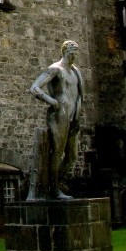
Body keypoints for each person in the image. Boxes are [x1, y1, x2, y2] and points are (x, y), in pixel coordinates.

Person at [29, 40, 83, 200]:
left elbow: (80, 95)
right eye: (72, 52)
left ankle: (54, 184)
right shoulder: (55, 69)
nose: (74, 55)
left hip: (73, 117)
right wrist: (52, 101)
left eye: (76, 52)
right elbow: (34, 88)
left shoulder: (76, 72)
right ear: (64, 51)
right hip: (59, 115)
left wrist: (78, 116)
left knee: (72, 156)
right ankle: (54, 189)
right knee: (57, 152)